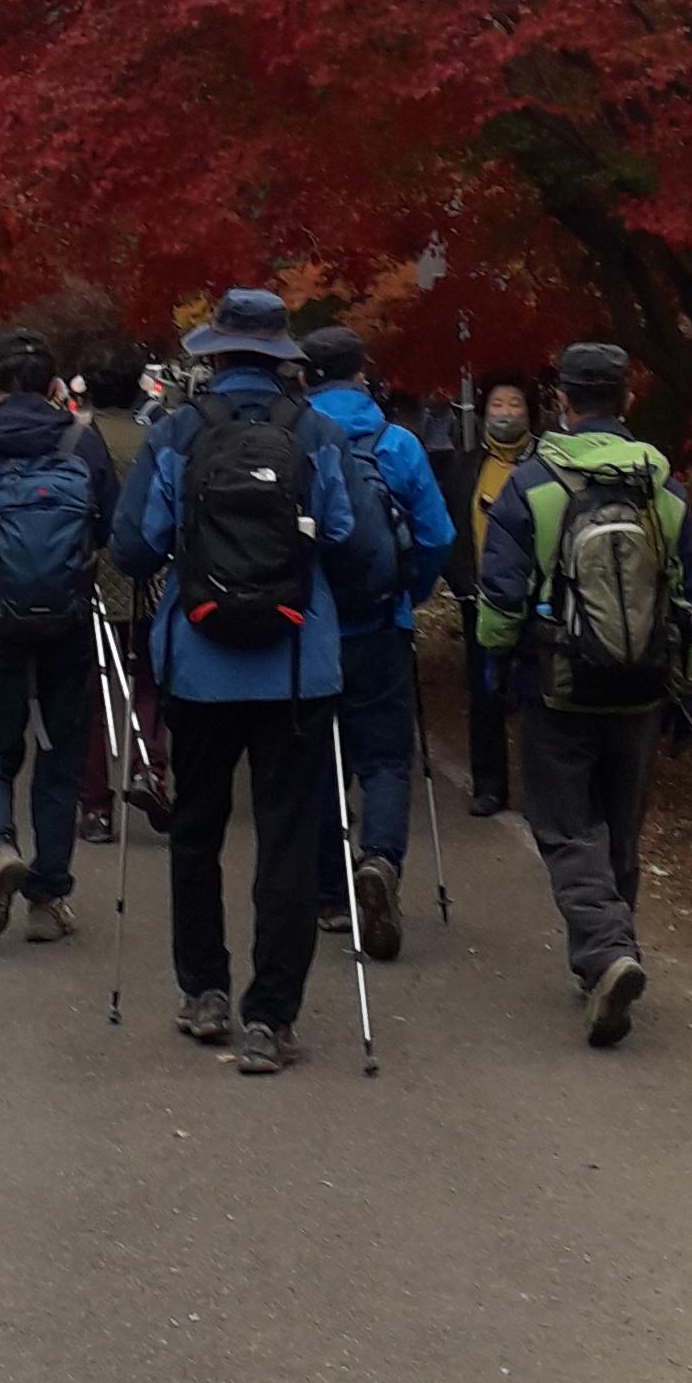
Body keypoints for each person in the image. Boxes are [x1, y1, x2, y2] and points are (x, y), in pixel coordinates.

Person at [111, 284, 353, 1075]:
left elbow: (134, 548)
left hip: (200, 662)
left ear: (212, 355)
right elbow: (345, 534)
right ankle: (270, 1019)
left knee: (197, 831)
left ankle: (205, 993)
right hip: (297, 665)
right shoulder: (317, 432)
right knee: (288, 839)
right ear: (283, 357)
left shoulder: (176, 433)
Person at [475, 337, 692, 1047]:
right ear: (628, 399)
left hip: (558, 685)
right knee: (621, 828)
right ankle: (612, 956)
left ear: (562, 401)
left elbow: (501, 598)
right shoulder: (664, 489)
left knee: (565, 828)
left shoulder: (533, 485)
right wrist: (688, 690)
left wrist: (497, 667)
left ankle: (608, 954)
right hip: (643, 687)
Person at [0, 329, 119, 945]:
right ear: (54, 385)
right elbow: (109, 527)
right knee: (61, 757)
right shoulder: (81, 445)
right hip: (69, 622)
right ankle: (47, 897)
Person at [298, 327, 453, 958]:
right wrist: (406, 592)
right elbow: (438, 535)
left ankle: (331, 895)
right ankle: (380, 861)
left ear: (303, 375)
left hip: (307, 628)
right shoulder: (397, 443)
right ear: (362, 373)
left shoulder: (292, 437)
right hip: (381, 626)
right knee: (386, 757)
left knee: (316, 760)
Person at [439, 371, 540, 816]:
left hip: (539, 603)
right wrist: (460, 581)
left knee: (537, 697)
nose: (506, 414)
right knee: (484, 696)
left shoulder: (546, 465)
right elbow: (449, 528)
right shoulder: (466, 467)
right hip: (480, 600)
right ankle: (489, 785)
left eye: (515, 404)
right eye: (498, 405)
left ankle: (540, 792)